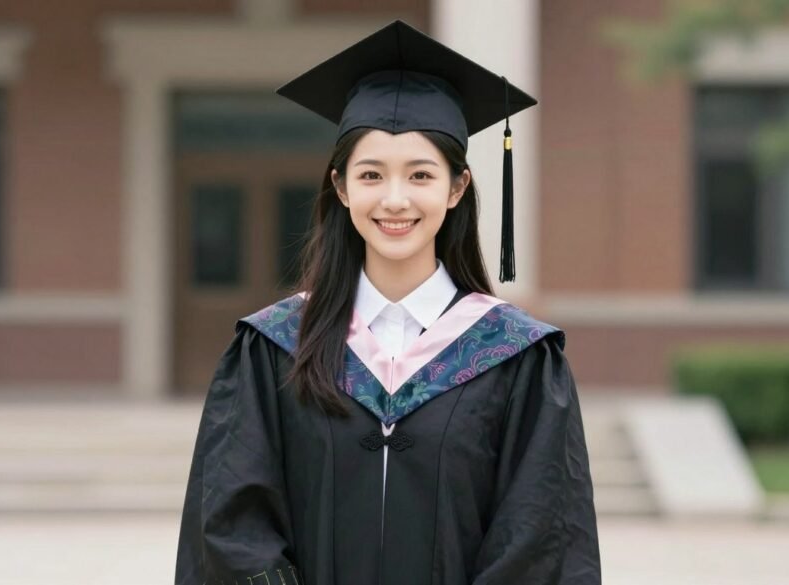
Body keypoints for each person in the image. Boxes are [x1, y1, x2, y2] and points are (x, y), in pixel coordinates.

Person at [175, 19, 601, 585]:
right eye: (371, 174)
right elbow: (231, 522)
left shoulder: (517, 357)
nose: (395, 199)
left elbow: (542, 530)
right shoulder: (274, 347)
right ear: (342, 187)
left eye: (420, 175)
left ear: (456, 189)